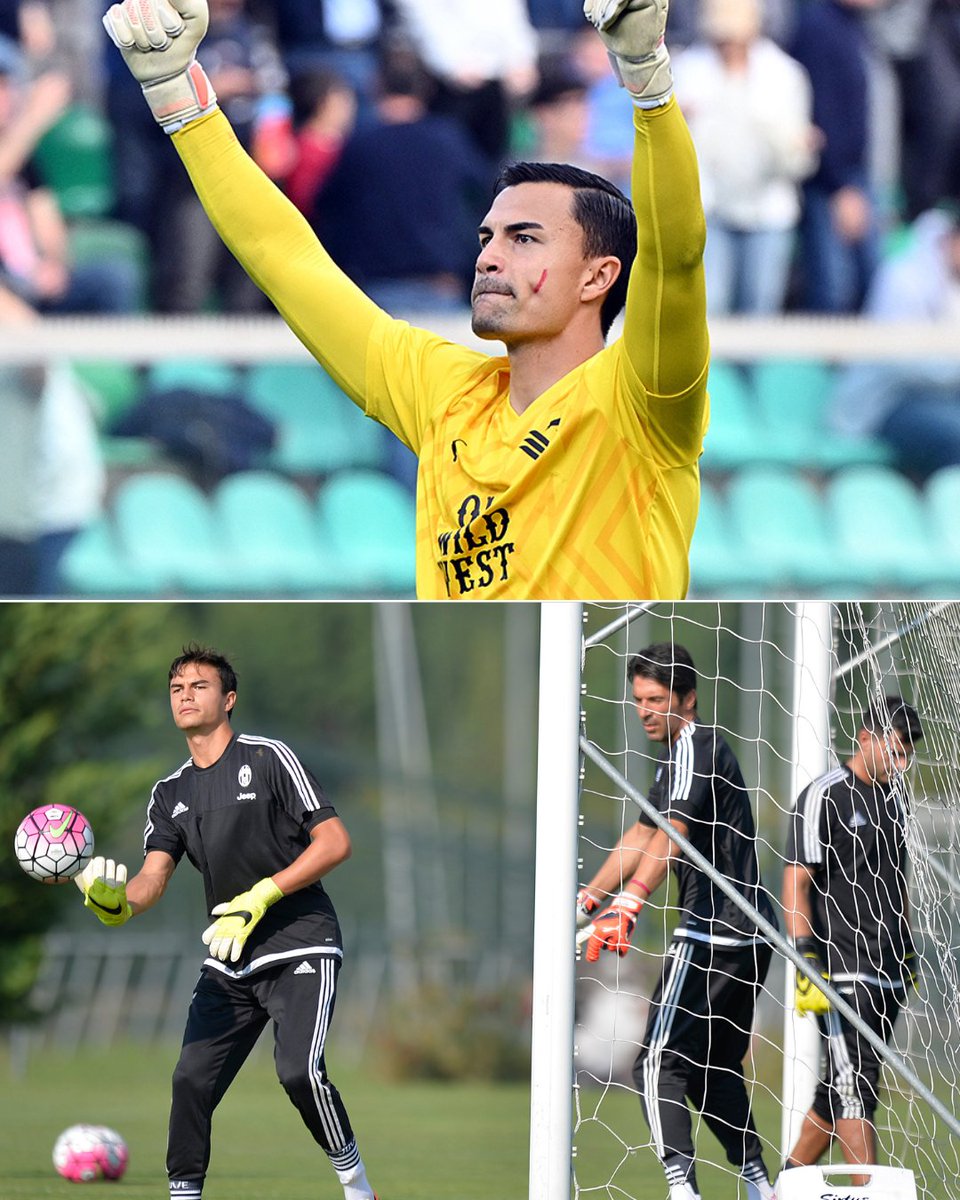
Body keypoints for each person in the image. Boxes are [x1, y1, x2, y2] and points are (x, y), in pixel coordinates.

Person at [101, 0, 709, 600]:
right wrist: (182, 103)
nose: (489, 256)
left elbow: (675, 258)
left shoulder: (644, 397)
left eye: (524, 239)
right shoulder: (445, 395)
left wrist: (647, 84)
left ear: (598, 277)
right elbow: (287, 264)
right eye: (486, 237)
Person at [74, 644, 378, 1200]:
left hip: (300, 940)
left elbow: (335, 843)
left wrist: (262, 894)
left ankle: (356, 1186)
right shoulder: (169, 793)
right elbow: (153, 877)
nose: (186, 696)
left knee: (299, 1074)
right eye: (176, 689)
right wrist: (117, 902)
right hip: (231, 955)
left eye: (199, 686)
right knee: (190, 1080)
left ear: (228, 698)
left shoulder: (268, 758)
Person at [578, 643, 778, 1200]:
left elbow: (674, 836)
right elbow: (643, 833)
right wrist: (589, 900)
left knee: (655, 1065)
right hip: (752, 934)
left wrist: (632, 901)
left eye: (657, 699)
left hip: (715, 927)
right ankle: (761, 1186)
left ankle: (681, 1192)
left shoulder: (696, 743)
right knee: (712, 1066)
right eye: (637, 699)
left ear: (689, 699)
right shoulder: (679, 759)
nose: (643, 710)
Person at [781, 694, 923, 1185]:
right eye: (898, 748)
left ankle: (784, 1186)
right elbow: (796, 882)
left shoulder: (896, 798)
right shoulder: (824, 795)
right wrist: (805, 963)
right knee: (853, 1084)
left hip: (889, 966)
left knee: (843, 1085)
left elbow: (895, 879)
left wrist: (906, 949)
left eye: (909, 752)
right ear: (867, 737)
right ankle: (871, 1192)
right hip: (839, 966)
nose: (903, 761)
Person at [672, 0, 818, 315]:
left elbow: (798, 159)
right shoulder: (687, 71)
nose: (729, 47)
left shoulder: (783, 74)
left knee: (761, 306)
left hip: (768, 210)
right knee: (710, 305)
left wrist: (795, 144)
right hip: (708, 210)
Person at [829, 209, 960, 479]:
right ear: (952, 239)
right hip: (887, 402)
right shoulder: (902, 278)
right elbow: (900, 360)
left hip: (941, 398)